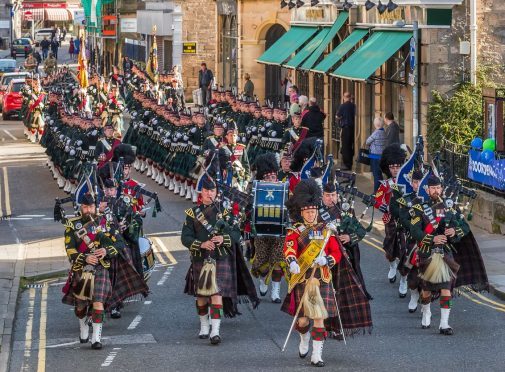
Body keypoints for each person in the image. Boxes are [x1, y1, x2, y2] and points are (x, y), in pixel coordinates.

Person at [181, 176, 256, 344]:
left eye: (212, 191)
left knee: (216, 293)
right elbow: (185, 238)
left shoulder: (226, 213)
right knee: (201, 295)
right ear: (201, 193)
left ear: (216, 192)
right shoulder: (192, 214)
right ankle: (204, 325)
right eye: (206, 191)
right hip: (201, 257)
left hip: (221, 258)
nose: (209, 194)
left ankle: (215, 331)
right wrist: (201, 244)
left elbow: (236, 233)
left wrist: (224, 239)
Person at [409, 175, 488, 334]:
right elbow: (414, 231)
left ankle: (444, 324)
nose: (436, 191)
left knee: (446, 288)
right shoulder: (418, 208)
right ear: (427, 189)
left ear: (442, 189)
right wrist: (432, 238)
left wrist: (454, 231)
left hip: (445, 252)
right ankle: (426, 310)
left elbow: (464, 227)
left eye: (438, 188)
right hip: (427, 252)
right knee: (427, 290)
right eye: (433, 188)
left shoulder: (449, 207)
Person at [61, 193, 118, 350]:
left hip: (101, 268)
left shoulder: (105, 222)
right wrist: (84, 257)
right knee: (81, 307)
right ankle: (83, 327)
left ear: (95, 206)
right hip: (81, 268)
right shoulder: (72, 225)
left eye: (91, 207)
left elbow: (119, 243)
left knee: (98, 302)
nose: (88, 210)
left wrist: (106, 251)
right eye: (85, 207)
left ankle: (96, 338)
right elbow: (69, 249)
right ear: (81, 207)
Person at [250, 153, 287, 303]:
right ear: (262, 178)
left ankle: (276, 292)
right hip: (261, 231)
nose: (271, 180)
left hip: (280, 230)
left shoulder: (284, 188)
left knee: (278, 261)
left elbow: (291, 207)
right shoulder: (255, 189)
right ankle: (263, 279)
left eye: (273, 177)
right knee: (262, 263)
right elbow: (248, 209)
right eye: (268, 178)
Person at [374, 144, 407, 296]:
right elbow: (377, 200)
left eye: (398, 166)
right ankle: (392, 265)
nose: (395, 169)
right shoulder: (385, 185)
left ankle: (404, 278)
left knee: (404, 250)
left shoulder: (406, 184)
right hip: (390, 220)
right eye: (392, 167)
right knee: (389, 248)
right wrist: (383, 206)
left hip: (405, 221)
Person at [365, 117, 387, 191]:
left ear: (375, 124)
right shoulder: (384, 132)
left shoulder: (376, 133)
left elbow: (367, 141)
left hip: (375, 157)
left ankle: (376, 192)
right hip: (382, 157)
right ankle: (380, 191)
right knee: (380, 175)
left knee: (376, 175)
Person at [336, 92, 356, 171]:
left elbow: (337, 116)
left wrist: (339, 123)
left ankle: (347, 164)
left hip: (346, 127)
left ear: (344, 97)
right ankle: (350, 162)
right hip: (353, 128)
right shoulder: (353, 106)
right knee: (350, 145)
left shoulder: (343, 106)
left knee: (345, 146)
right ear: (350, 97)